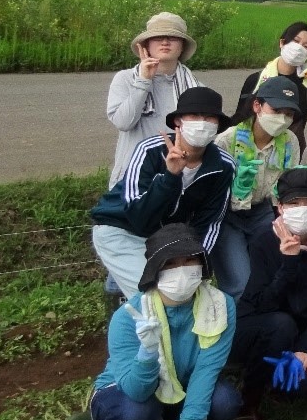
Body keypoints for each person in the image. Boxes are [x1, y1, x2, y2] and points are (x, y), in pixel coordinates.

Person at [88, 223, 240, 420]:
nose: (182, 270)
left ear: (202, 265)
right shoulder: (129, 318)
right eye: (171, 263)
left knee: (225, 400)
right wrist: (147, 353)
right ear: (155, 270)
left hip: (182, 388)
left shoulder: (220, 307)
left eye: (190, 260)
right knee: (137, 412)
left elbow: (206, 371)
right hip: (131, 394)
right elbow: (135, 390)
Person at [91, 87, 235, 300]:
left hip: (165, 239)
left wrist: (196, 261)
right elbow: (137, 215)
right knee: (155, 297)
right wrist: (170, 176)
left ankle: (120, 297)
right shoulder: (150, 150)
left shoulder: (223, 165)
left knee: (187, 292)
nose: (202, 123)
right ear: (178, 121)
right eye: (194, 115)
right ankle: (124, 316)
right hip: (122, 229)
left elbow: (210, 222)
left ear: (218, 126)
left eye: (210, 118)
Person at [230, 168, 307, 420]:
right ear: (280, 207)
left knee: (305, 383)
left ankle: (283, 385)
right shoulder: (263, 241)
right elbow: (263, 302)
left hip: (304, 328)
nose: (303, 209)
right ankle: (249, 402)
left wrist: (305, 346)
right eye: (294, 203)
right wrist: (289, 262)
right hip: (262, 322)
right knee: (281, 325)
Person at [211, 77, 303, 300]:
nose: (282, 118)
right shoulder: (227, 140)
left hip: (263, 211)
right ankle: (236, 328)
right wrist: (238, 188)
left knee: (270, 274)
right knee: (239, 283)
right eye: (276, 109)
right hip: (227, 217)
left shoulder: (289, 140)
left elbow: (286, 185)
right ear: (257, 106)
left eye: (289, 114)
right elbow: (212, 192)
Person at [106, 12, 201, 189]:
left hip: (175, 177)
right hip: (131, 177)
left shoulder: (195, 87)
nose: (165, 42)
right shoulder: (126, 79)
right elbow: (123, 122)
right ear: (146, 46)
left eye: (173, 37)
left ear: (182, 47)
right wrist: (143, 82)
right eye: (157, 37)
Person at [239, 21, 307, 154]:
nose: (299, 48)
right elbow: (240, 119)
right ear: (282, 43)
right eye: (296, 41)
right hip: (251, 151)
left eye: (306, 46)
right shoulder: (257, 80)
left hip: (290, 152)